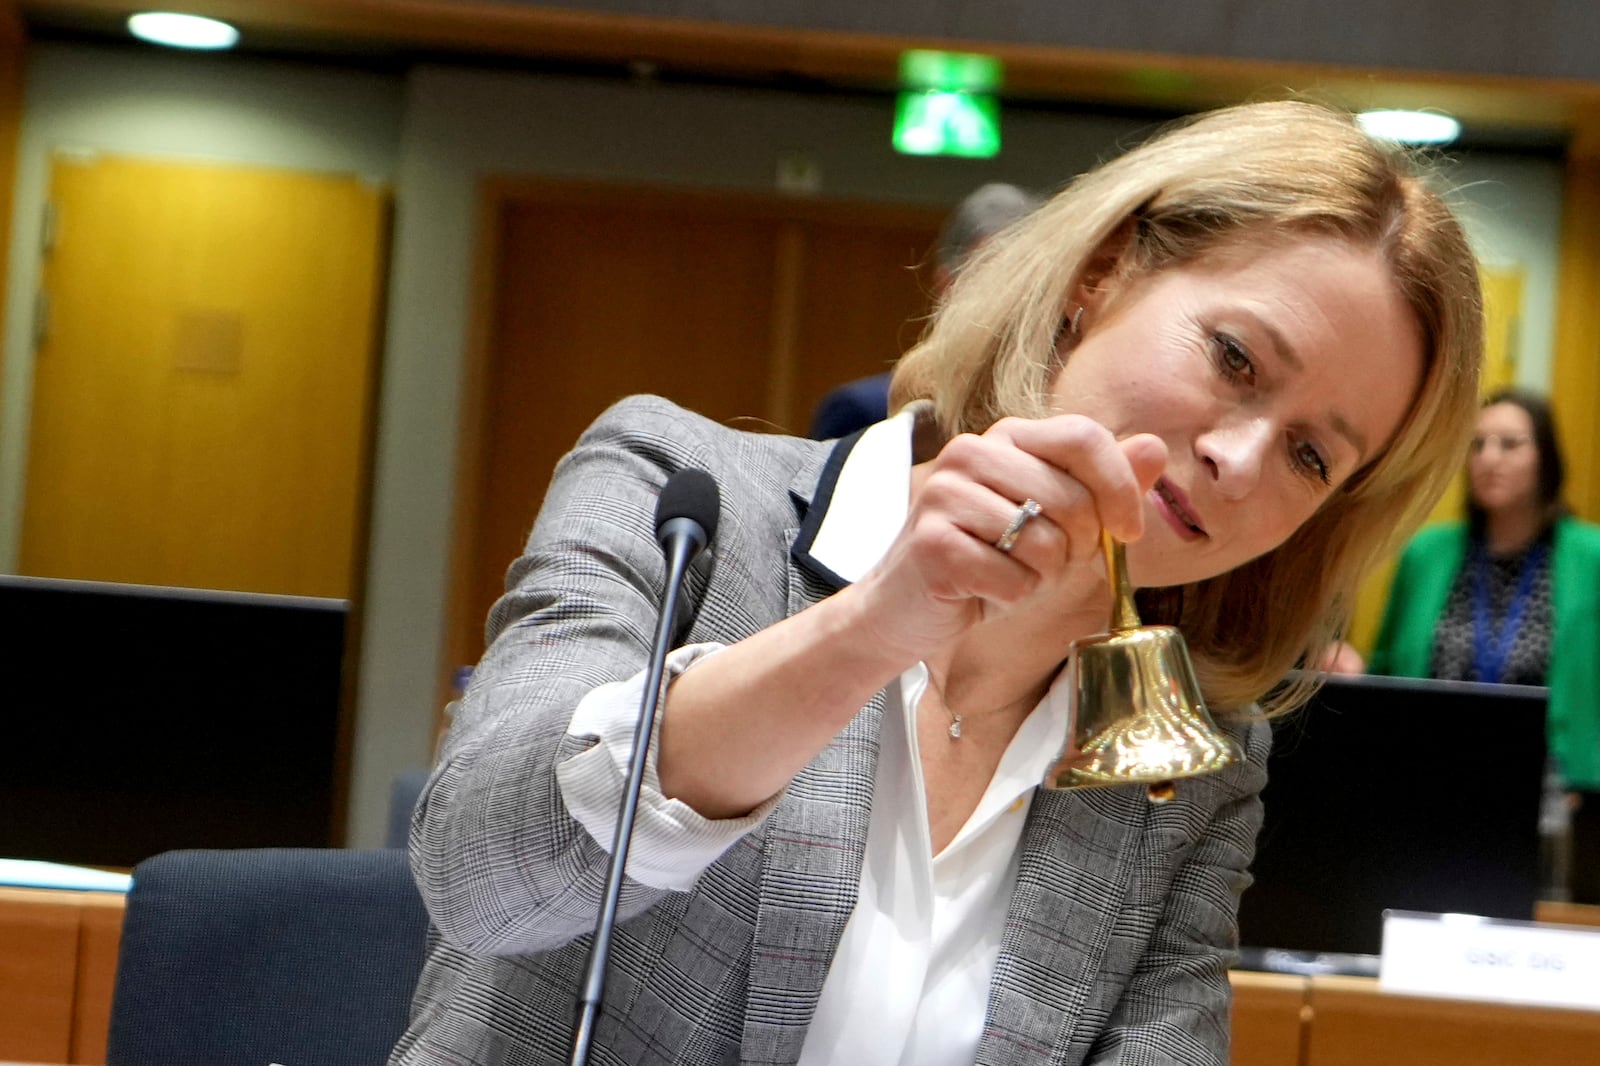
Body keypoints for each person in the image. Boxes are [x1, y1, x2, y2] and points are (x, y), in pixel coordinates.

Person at [390, 100, 1484, 1066]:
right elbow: (481, 877)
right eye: (1236, 360)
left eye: (1309, 457)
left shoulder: (1188, 759)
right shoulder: (682, 494)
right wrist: (871, 627)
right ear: (1101, 274)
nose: (1238, 461)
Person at [1370, 389, 1600, 792]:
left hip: (1551, 787)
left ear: (1545, 459)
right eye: (1478, 445)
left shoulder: (1590, 558)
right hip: (1428, 775)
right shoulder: (1425, 553)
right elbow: (1384, 669)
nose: (1489, 459)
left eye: (1510, 444)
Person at [807, 182, 1043, 440]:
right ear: (947, 286)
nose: (1013, 298)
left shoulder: (1053, 409)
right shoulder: (864, 409)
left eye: (1027, 279)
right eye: (994, 275)